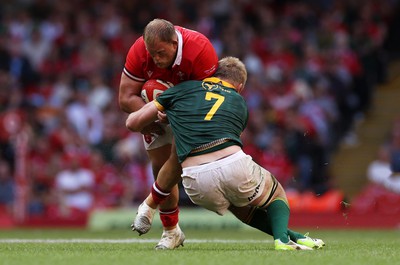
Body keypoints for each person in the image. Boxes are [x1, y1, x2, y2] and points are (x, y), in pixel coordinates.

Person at [126, 56, 325, 250]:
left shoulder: (183, 89)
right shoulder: (239, 102)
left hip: (195, 182)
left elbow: (132, 123)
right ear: (240, 87)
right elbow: (218, 130)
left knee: (236, 202)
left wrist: (166, 119)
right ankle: (282, 241)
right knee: (276, 194)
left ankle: (295, 237)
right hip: (230, 163)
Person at [119, 18, 218, 249]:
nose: (156, 59)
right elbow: (125, 98)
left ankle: (150, 206)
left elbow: (209, 101)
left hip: (193, 111)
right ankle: (171, 230)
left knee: (185, 167)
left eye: (161, 52)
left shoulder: (200, 49)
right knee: (160, 167)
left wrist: (174, 112)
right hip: (154, 111)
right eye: (152, 53)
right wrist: (155, 112)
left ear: (175, 43)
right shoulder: (139, 50)